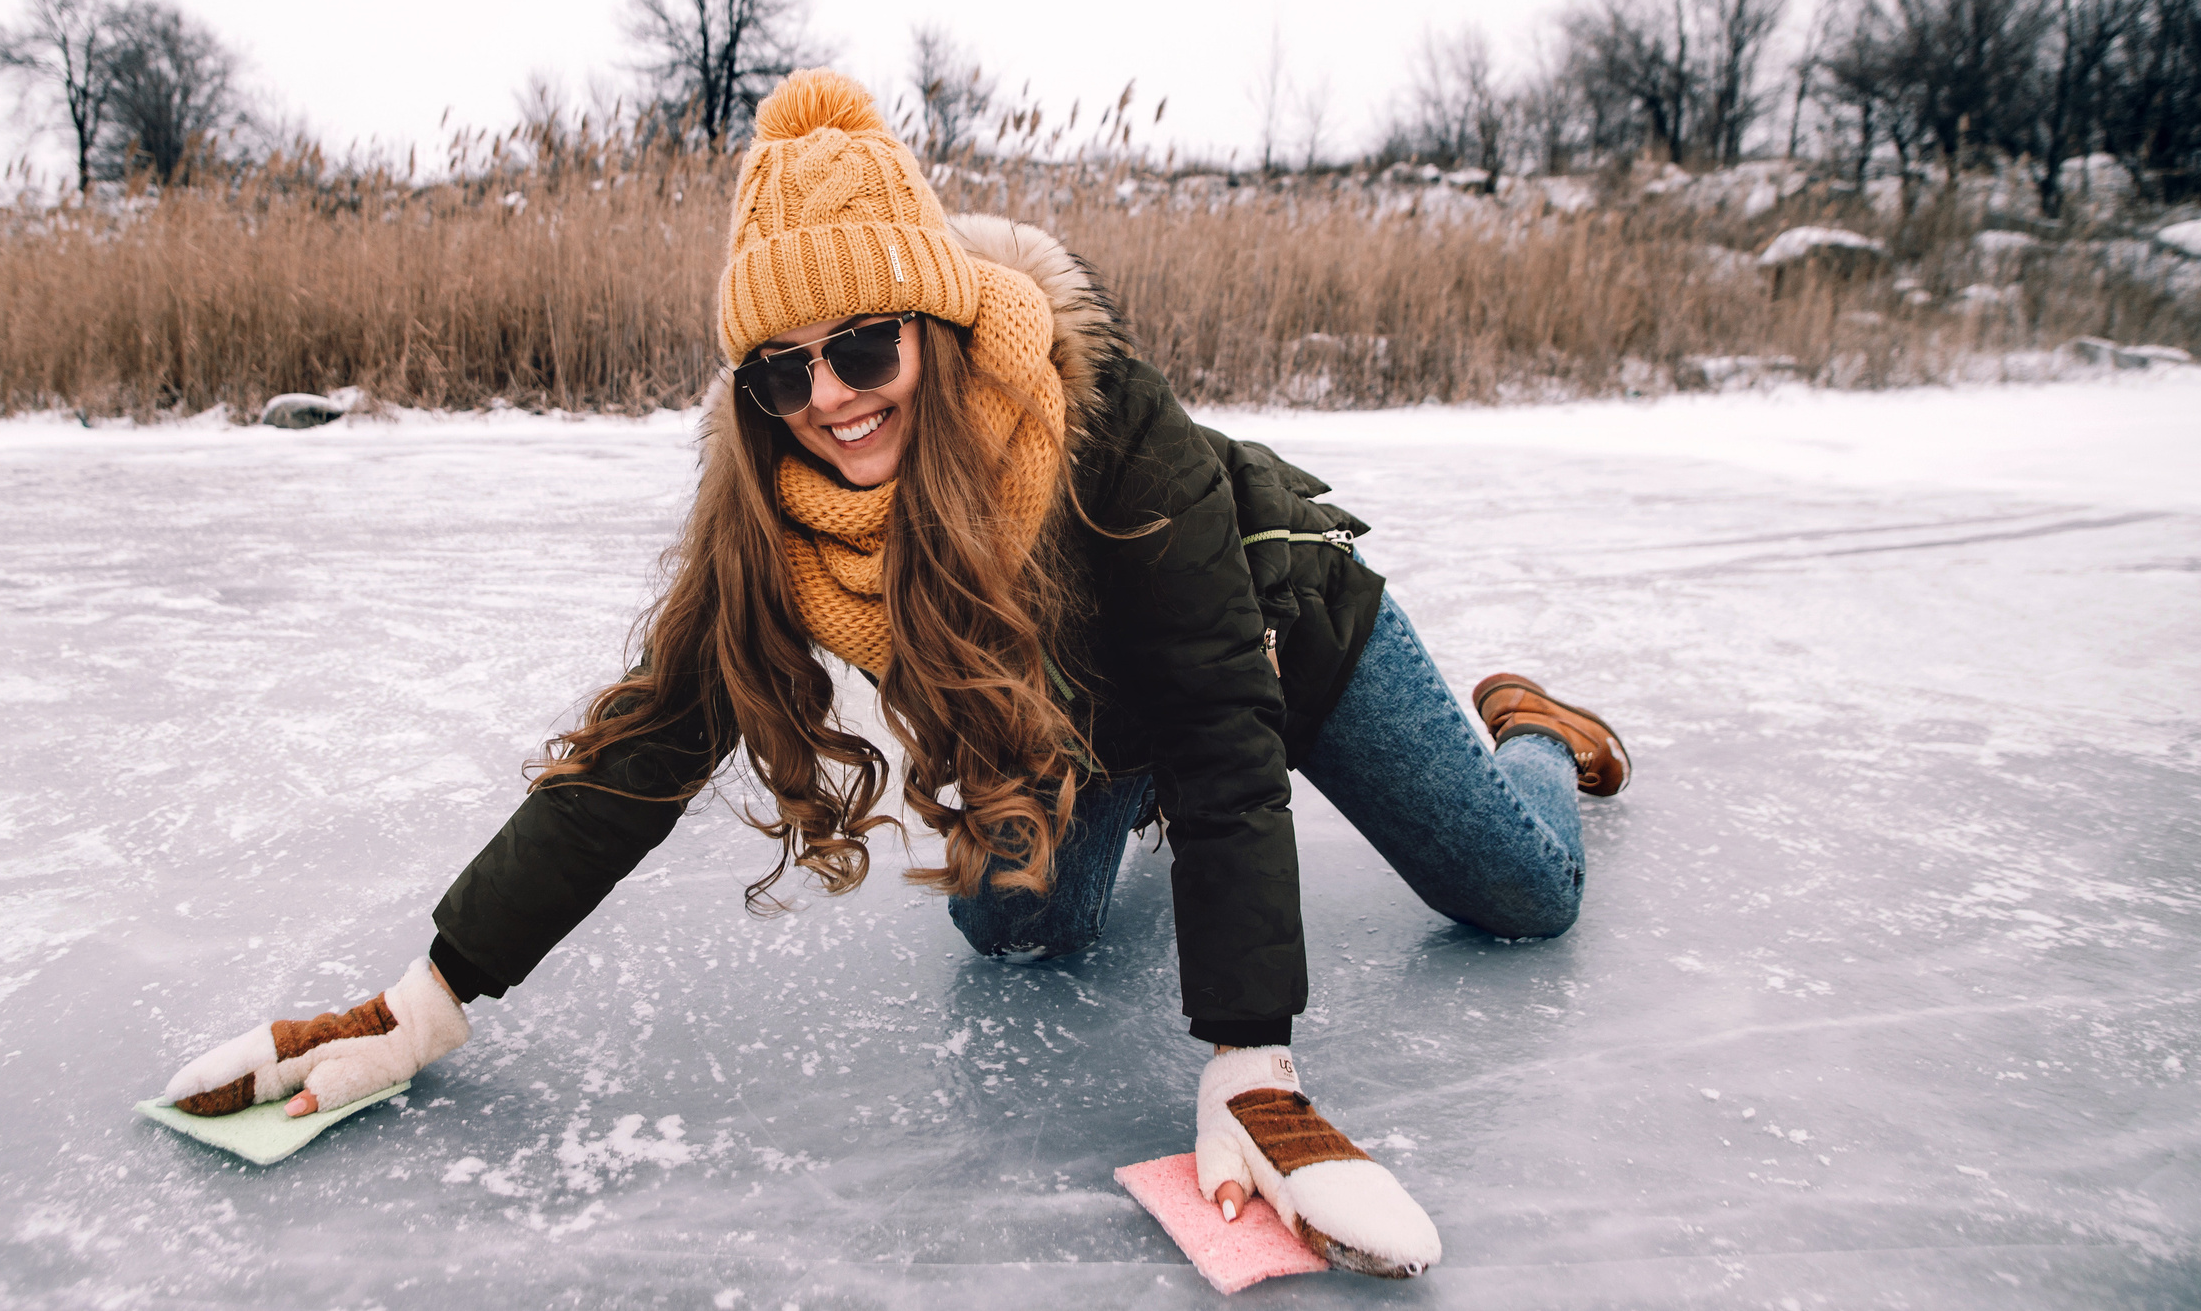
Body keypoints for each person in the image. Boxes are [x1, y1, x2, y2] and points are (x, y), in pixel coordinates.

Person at [160, 71, 1632, 1278]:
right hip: (1066, 719)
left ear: (928, 319)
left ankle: (1531, 729)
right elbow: (644, 749)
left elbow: (1223, 722)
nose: (830, 399)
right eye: (781, 369)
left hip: (1278, 645)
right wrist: (424, 1000)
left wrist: (1252, 1068)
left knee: (1526, 894)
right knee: (1016, 936)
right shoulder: (777, 510)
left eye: (863, 345)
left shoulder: (1101, 418)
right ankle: (1131, 808)